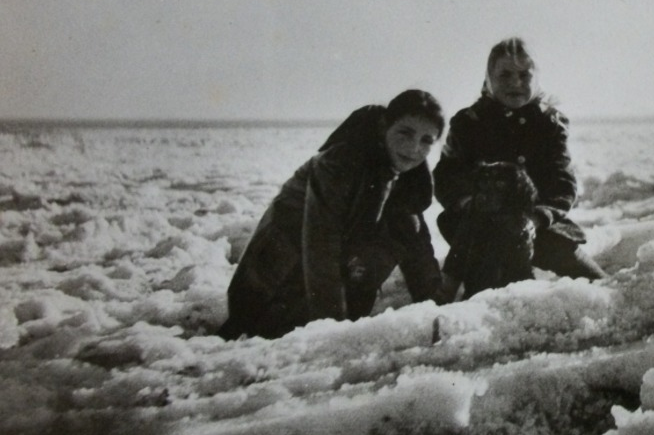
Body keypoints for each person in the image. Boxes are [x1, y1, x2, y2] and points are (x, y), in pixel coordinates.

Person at [216, 89, 447, 340]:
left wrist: (439, 309)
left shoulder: (409, 179)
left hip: (318, 284)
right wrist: (334, 332)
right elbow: (320, 247)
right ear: (384, 127)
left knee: (406, 224)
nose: (414, 148)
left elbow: (417, 248)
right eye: (405, 132)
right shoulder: (339, 163)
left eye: (426, 140)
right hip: (268, 282)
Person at [434, 38, 606, 298]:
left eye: (524, 75)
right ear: (489, 78)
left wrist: (537, 219)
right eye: (504, 74)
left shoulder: (549, 123)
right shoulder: (469, 123)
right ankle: (458, 298)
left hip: (535, 222)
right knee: (481, 268)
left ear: (536, 80)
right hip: (478, 224)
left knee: (587, 276)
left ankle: (606, 290)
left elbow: (562, 182)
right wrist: (470, 203)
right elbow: (447, 176)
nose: (515, 83)